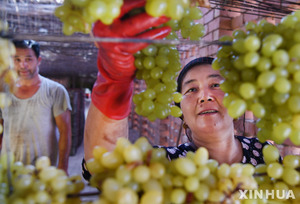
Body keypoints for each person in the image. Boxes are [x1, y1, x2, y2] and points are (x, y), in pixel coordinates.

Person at [0, 40, 72, 173]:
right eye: (17, 59)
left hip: (43, 169)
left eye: (28, 59)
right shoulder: (4, 91)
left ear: (38, 60)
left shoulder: (55, 90)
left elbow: (65, 132)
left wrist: (63, 167)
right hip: (10, 169)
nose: (23, 65)